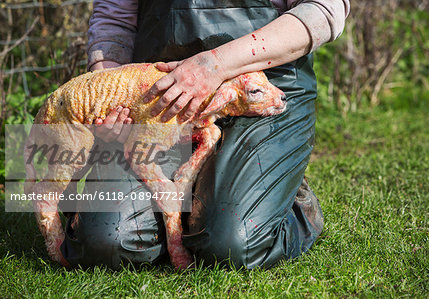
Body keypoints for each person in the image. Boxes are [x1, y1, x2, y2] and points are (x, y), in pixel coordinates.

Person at [60, 0, 350, 269]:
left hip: (263, 88)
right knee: (106, 243)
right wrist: (113, 95)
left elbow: (323, 10)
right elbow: (115, 18)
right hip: (161, 98)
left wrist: (215, 64)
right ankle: (196, 204)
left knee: (233, 244)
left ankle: (290, 199)